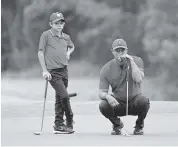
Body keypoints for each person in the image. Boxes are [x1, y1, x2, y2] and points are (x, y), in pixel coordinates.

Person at [99, 38, 150, 135]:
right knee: (103, 105)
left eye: (122, 50)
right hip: (119, 103)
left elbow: (138, 79)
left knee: (144, 101)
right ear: (112, 52)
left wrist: (131, 62)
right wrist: (107, 96)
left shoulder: (137, 61)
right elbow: (101, 92)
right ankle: (117, 125)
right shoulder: (106, 68)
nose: (120, 53)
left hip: (134, 101)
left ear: (126, 50)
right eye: (117, 50)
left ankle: (139, 126)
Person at [38, 12, 75, 133]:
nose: (59, 25)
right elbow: (40, 53)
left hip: (64, 70)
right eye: (56, 23)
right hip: (52, 72)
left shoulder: (66, 37)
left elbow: (72, 46)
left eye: (61, 22)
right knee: (64, 96)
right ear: (51, 24)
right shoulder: (46, 35)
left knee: (60, 98)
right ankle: (69, 118)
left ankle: (58, 125)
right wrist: (44, 70)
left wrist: (69, 52)